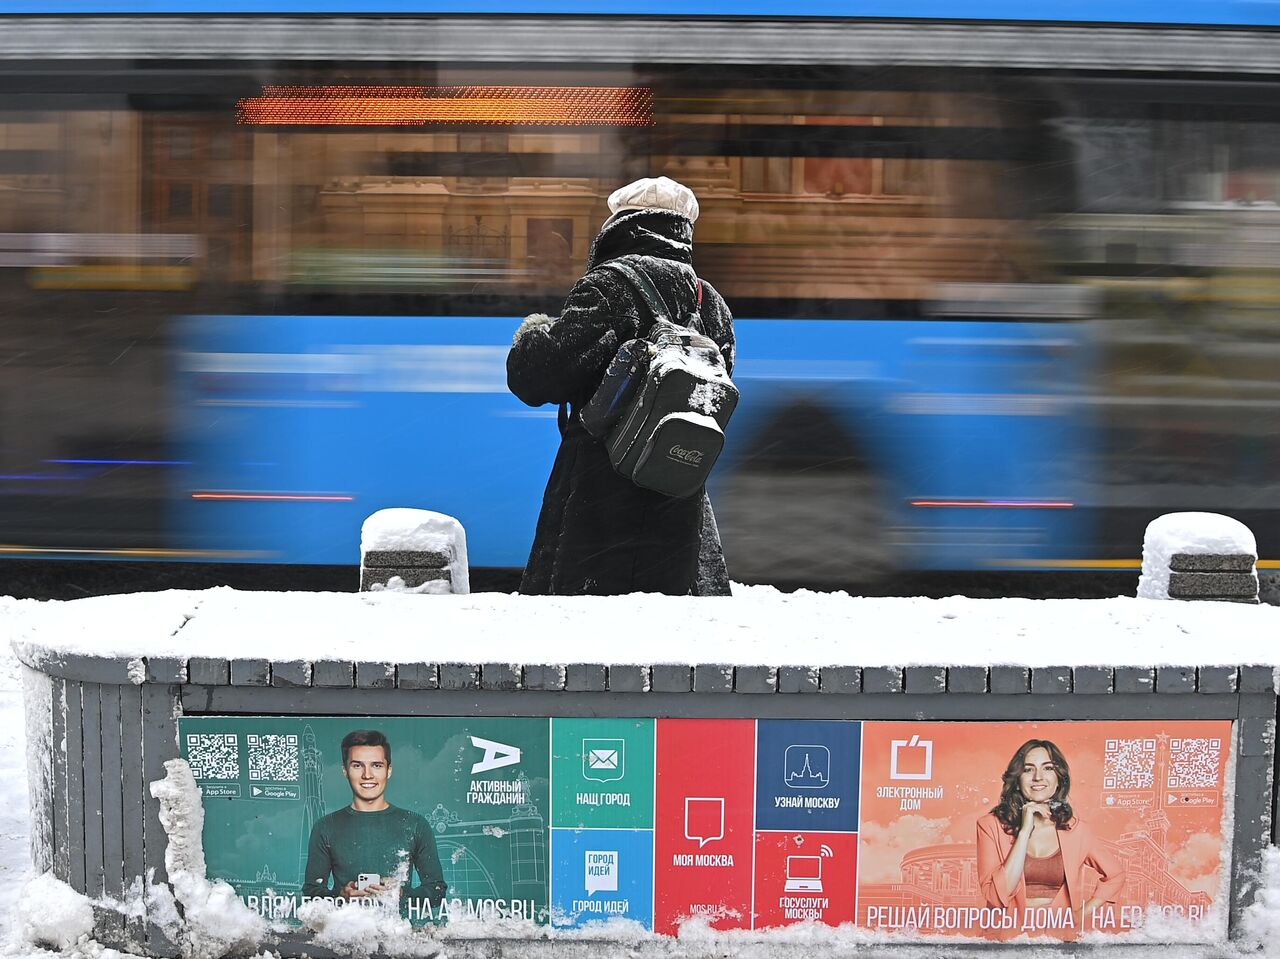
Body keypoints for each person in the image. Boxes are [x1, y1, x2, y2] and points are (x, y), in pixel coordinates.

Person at [506, 176, 736, 596]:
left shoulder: (612, 285)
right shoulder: (711, 303)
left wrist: (538, 332)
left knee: (589, 630)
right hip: (674, 488)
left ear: (620, 224)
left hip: (600, 495)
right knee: (664, 630)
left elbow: (535, 377)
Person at [976, 739, 1125, 933]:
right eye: (1028, 769)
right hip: (1008, 941)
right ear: (1018, 780)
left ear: (1058, 779)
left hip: (1058, 941)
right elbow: (997, 896)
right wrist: (1024, 832)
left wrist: (1080, 915)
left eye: (1047, 768)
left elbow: (1115, 875)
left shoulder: (1077, 830)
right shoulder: (990, 825)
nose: (1038, 777)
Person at [303, 729, 447, 913]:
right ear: (345, 771)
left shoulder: (415, 824)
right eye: (357, 766)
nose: (367, 775)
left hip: (399, 936)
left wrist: (400, 893)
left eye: (377, 765)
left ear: (389, 770)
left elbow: (437, 891)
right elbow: (311, 894)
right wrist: (341, 895)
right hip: (344, 934)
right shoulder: (325, 827)